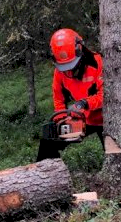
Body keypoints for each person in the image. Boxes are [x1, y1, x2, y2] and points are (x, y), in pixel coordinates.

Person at [36, 28, 104, 161]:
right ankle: (46, 175)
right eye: (65, 67)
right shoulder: (60, 71)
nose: (69, 71)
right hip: (81, 117)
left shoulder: (97, 62)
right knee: (48, 142)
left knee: (114, 153)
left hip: (104, 118)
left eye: (72, 66)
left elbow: (105, 95)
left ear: (80, 50)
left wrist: (85, 103)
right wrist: (62, 119)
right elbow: (58, 98)